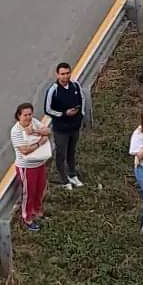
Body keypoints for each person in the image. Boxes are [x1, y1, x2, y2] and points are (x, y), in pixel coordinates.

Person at [43, 61, 85, 189]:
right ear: (57, 75)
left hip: (75, 127)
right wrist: (64, 114)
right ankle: (63, 179)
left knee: (72, 151)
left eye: (67, 73)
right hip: (61, 129)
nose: (65, 76)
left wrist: (81, 115)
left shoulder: (76, 86)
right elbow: (47, 109)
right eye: (62, 74)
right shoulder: (53, 90)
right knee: (61, 153)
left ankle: (72, 174)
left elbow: (82, 100)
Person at [11, 102, 52, 232]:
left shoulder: (34, 123)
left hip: (39, 164)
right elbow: (25, 150)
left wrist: (34, 131)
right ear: (19, 116)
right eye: (25, 115)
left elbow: (47, 131)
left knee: (40, 189)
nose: (28, 117)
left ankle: (37, 211)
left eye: (30, 114)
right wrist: (39, 142)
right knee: (28, 193)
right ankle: (27, 217)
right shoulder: (16, 131)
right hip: (26, 167)